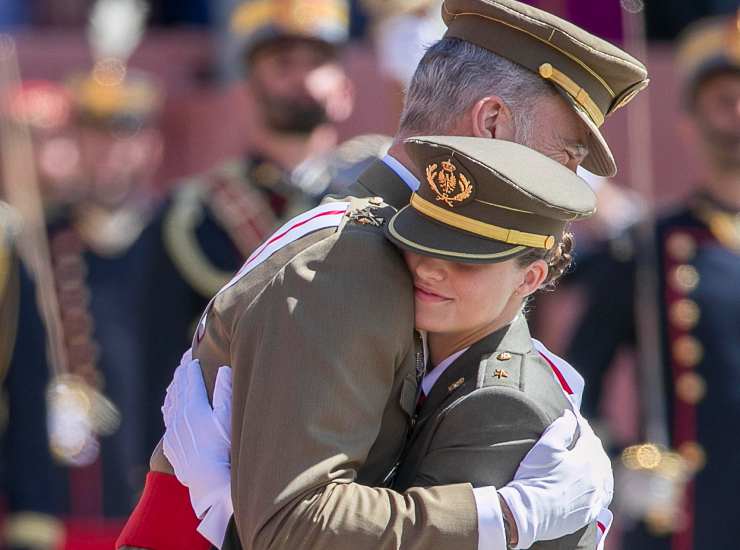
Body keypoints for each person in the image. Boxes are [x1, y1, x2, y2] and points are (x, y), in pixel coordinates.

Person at [117, 0, 649, 548]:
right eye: (564, 153)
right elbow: (293, 526)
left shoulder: (372, 234)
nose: (566, 180)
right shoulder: (353, 262)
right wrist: (508, 516)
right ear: (492, 123)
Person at [562, 13, 740, 550]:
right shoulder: (649, 247)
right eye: (724, 101)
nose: (738, 117)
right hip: (689, 520)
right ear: (689, 121)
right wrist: (621, 466)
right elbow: (576, 386)